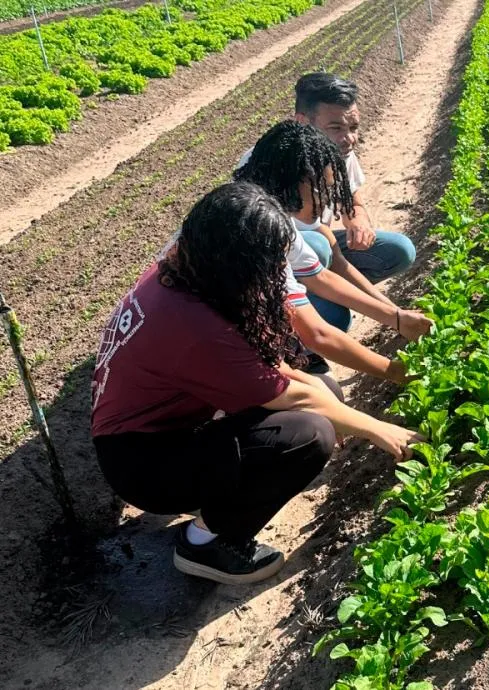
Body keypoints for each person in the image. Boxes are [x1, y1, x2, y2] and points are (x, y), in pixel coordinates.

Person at [91, 183, 423, 585]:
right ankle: (205, 542)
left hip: (161, 432)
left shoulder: (188, 273)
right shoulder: (193, 324)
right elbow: (289, 391)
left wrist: (337, 406)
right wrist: (376, 427)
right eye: (269, 266)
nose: (276, 276)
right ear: (238, 263)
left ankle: (217, 502)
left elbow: (273, 366)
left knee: (322, 403)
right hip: (143, 464)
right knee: (309, 434)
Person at [235, 120, 431, 380]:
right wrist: (395, 372)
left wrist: (397, 317)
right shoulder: (253, 228)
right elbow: (318, 334)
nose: (329, 198)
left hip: (226, 326)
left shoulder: (271, 212)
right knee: (321, 399)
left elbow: (322, 276)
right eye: (323, 188)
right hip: (211, 342)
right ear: (292, 180)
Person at [238, 72, 416, 326]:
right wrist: (394, 316)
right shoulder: (273, 163)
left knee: (398, 250)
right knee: (328, 294)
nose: (349, 139)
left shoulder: (335, 151)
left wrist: (357, 218)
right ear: (302, 121)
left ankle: (324, 300)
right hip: (261, 269)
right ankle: (286, 320)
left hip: (312, 252)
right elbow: (333, 257)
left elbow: (351, 197)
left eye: (353, 127)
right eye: (336, 128)